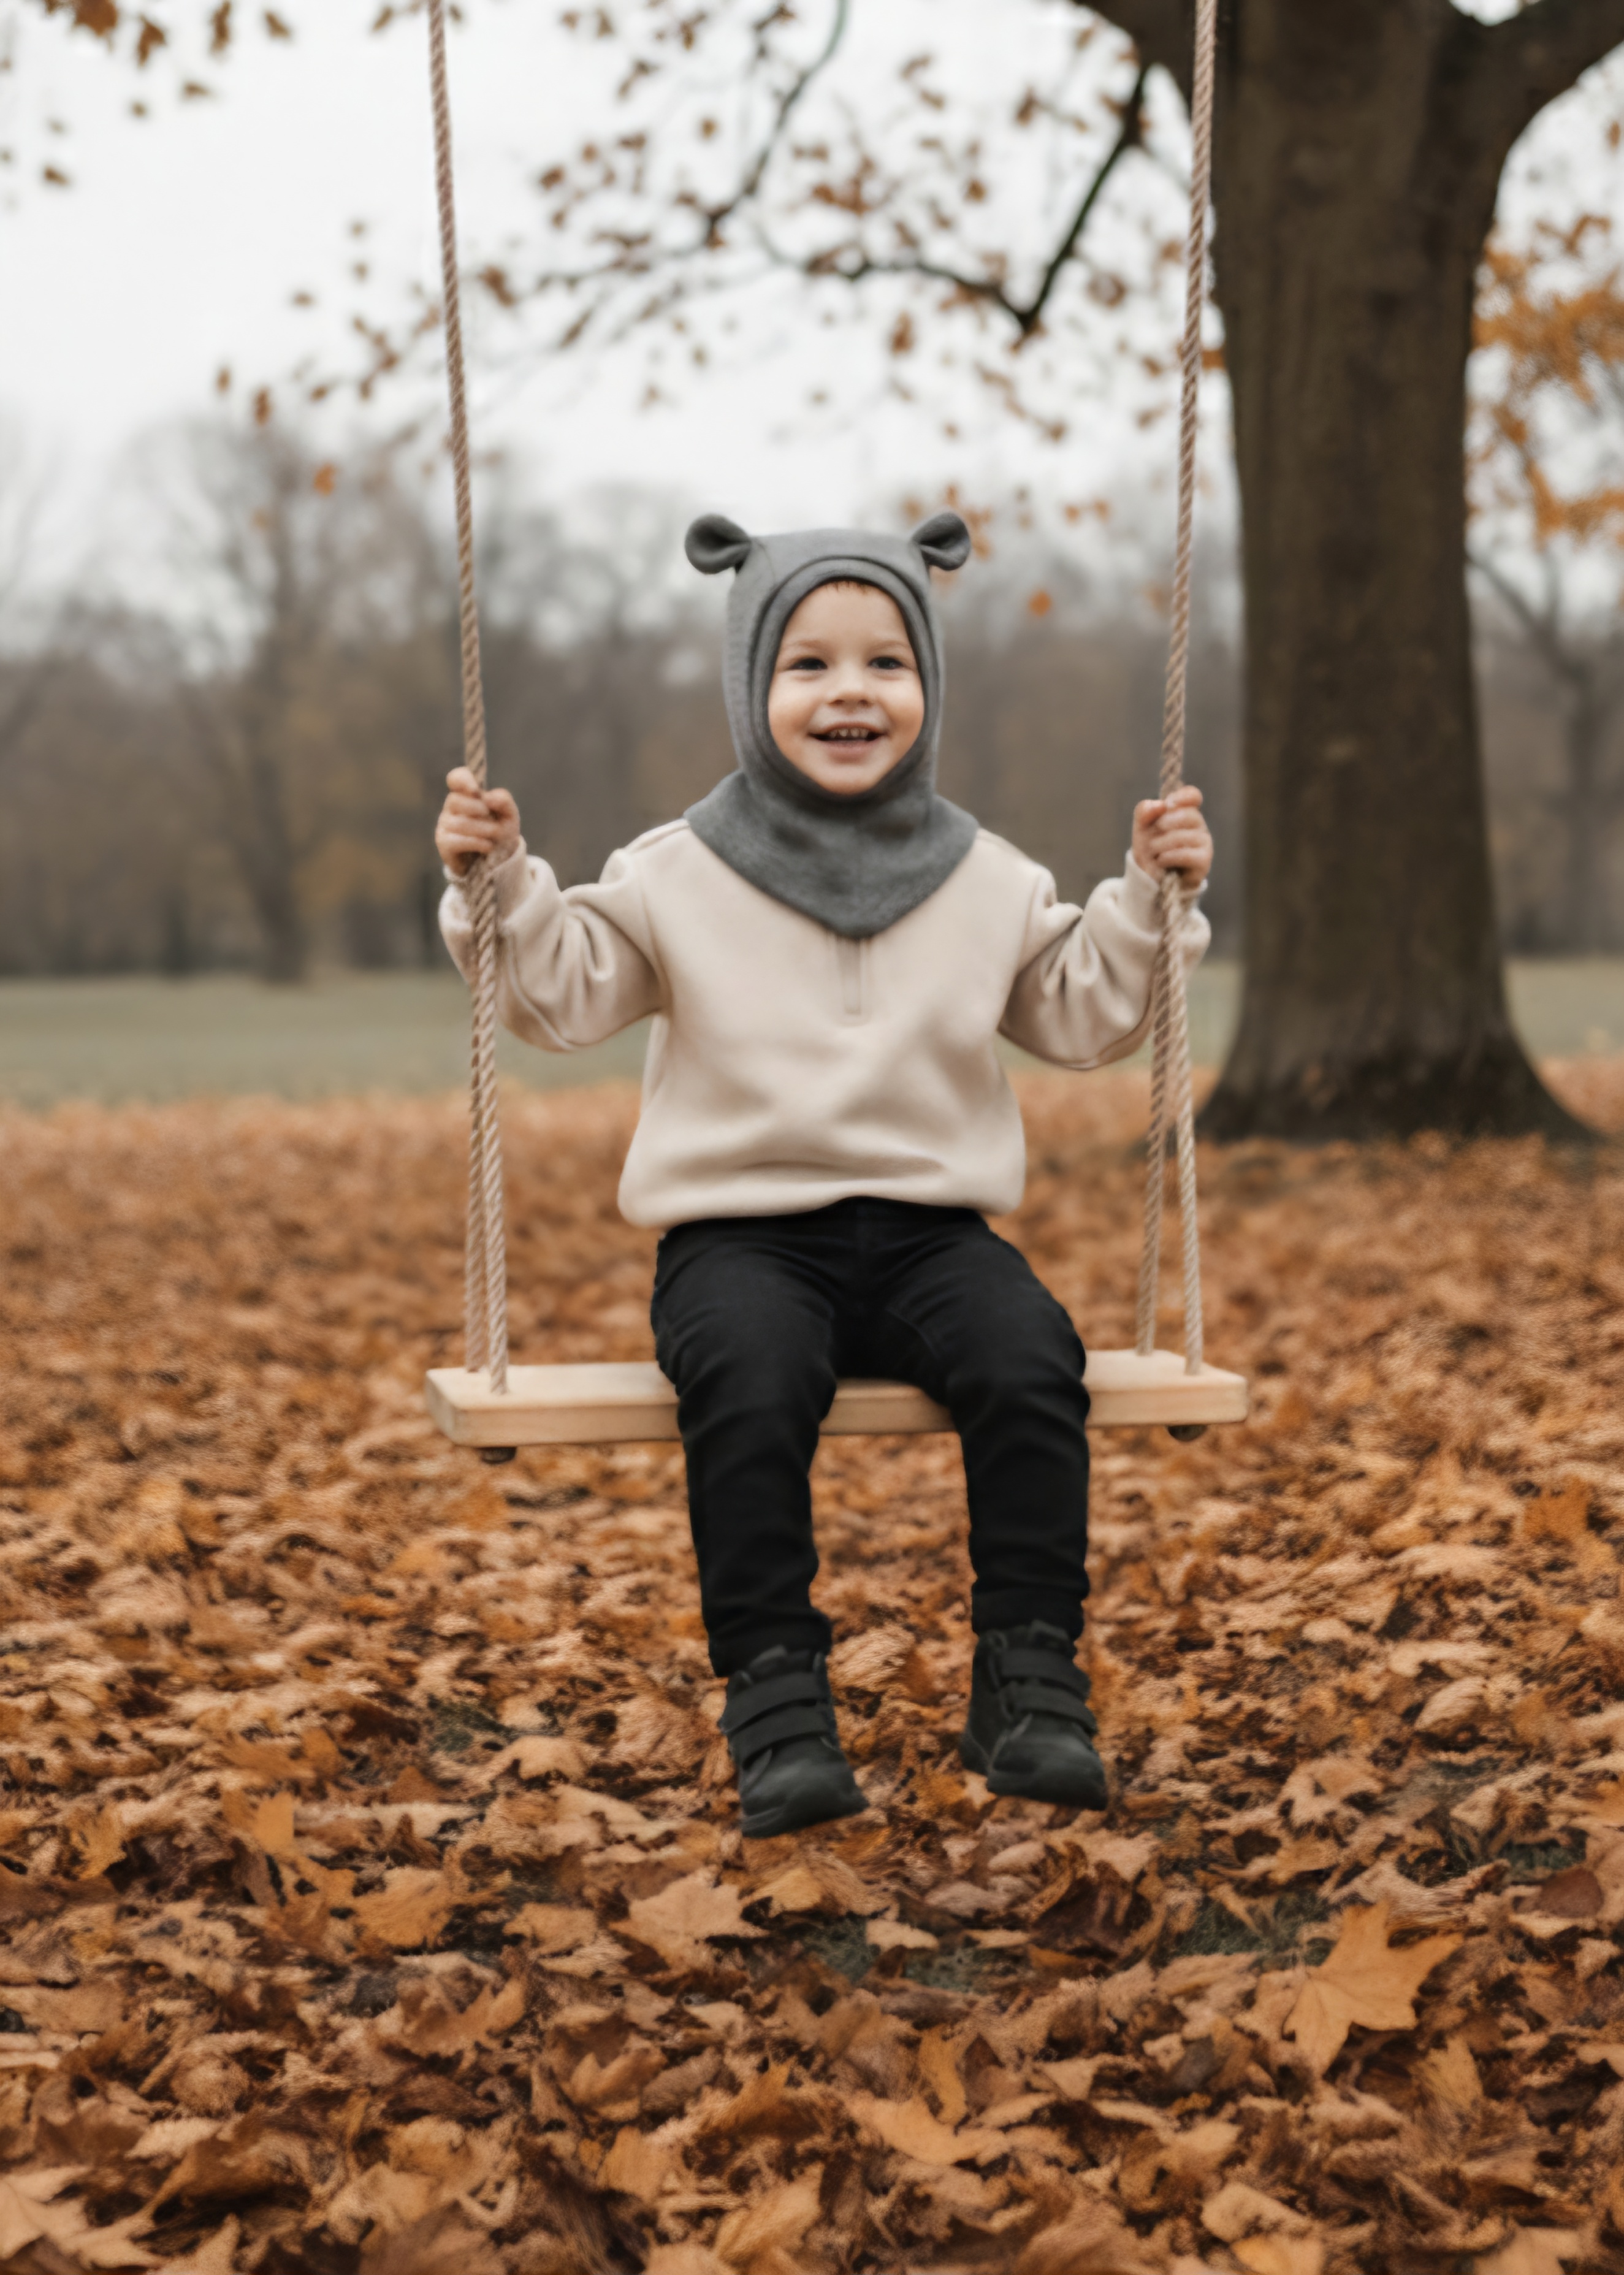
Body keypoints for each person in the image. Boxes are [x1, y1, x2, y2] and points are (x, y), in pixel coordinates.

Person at [436, 511, 1212, 1839]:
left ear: (927, 687)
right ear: (751, 684)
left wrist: (1148, 897)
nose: (849, 690)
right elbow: (559, 994)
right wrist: (497, 881)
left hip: (931, 1234)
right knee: (746, 1377)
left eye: (883, 662)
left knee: (1033, 1359)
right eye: (806, 664)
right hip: (741, 1238)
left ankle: (1028, 1677)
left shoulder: (984, 873)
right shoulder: (675, 869)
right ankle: (777, 1696)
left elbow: (1086, 1014)